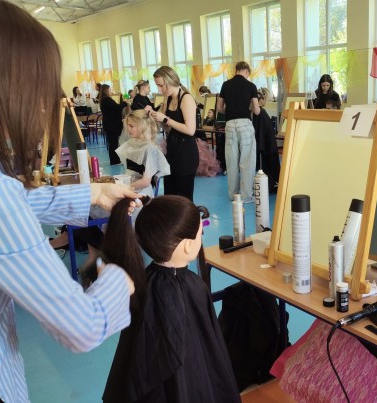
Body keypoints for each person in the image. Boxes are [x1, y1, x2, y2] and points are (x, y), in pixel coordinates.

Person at [0, 1, 140, 401]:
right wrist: (119, 278)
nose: (40, 108)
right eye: (36, 92)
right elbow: (82, 327)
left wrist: (91, 194)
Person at [101, 195, 241, 403]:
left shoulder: (143, 281)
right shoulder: (192, 287)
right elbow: (192, 362)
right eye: (200, 233)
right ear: (187, 245)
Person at [152, 66, 199, 201]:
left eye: (161, 85)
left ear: (170, 81)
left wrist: (166, 119)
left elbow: (190, 130)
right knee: (170, 197)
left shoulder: (186, 99)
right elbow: (167, 128)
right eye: (157, 86)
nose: (159, 90)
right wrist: (155, 117)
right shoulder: (167, 99)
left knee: (184, 199)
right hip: (172, 151)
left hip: (186, 154)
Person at [218, 61, 260, 202]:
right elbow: (257, 110)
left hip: (230, 124)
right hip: (245, 124)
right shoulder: (251, 86)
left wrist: (231, 111)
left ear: (236, 70)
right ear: (246, 71)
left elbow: (219, 108)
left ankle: (233, 195)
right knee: (247, 161)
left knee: (232, 161)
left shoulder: (225, 85)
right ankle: (246, 196)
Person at [116, 109, 170, 201]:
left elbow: (145, 181)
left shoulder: (150, 149)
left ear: (142, 126)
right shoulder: (131, 144)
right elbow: (130, 172)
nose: (128, 129)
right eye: (127, 126)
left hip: (142, 193)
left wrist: (124, 188)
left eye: (131, 126)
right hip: (130, 185)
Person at [252, 91, 280, 193]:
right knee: (269, 165)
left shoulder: (259, 113)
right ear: (260, 100)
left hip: (265, 144)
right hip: (267, 144)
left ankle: (270, 184)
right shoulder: (261, 113)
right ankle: (271, 184)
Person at [100, 84, 130, 165]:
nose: (111, 91)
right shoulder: (106, 100)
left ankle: (115, 160)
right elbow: (117, 107)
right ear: (106, 90)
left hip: (110, 125)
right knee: (113, 144)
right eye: (109, 90)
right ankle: (114, 161)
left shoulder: (105, 100)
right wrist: (125, 102)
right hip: (111, 125)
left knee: (114, 143)